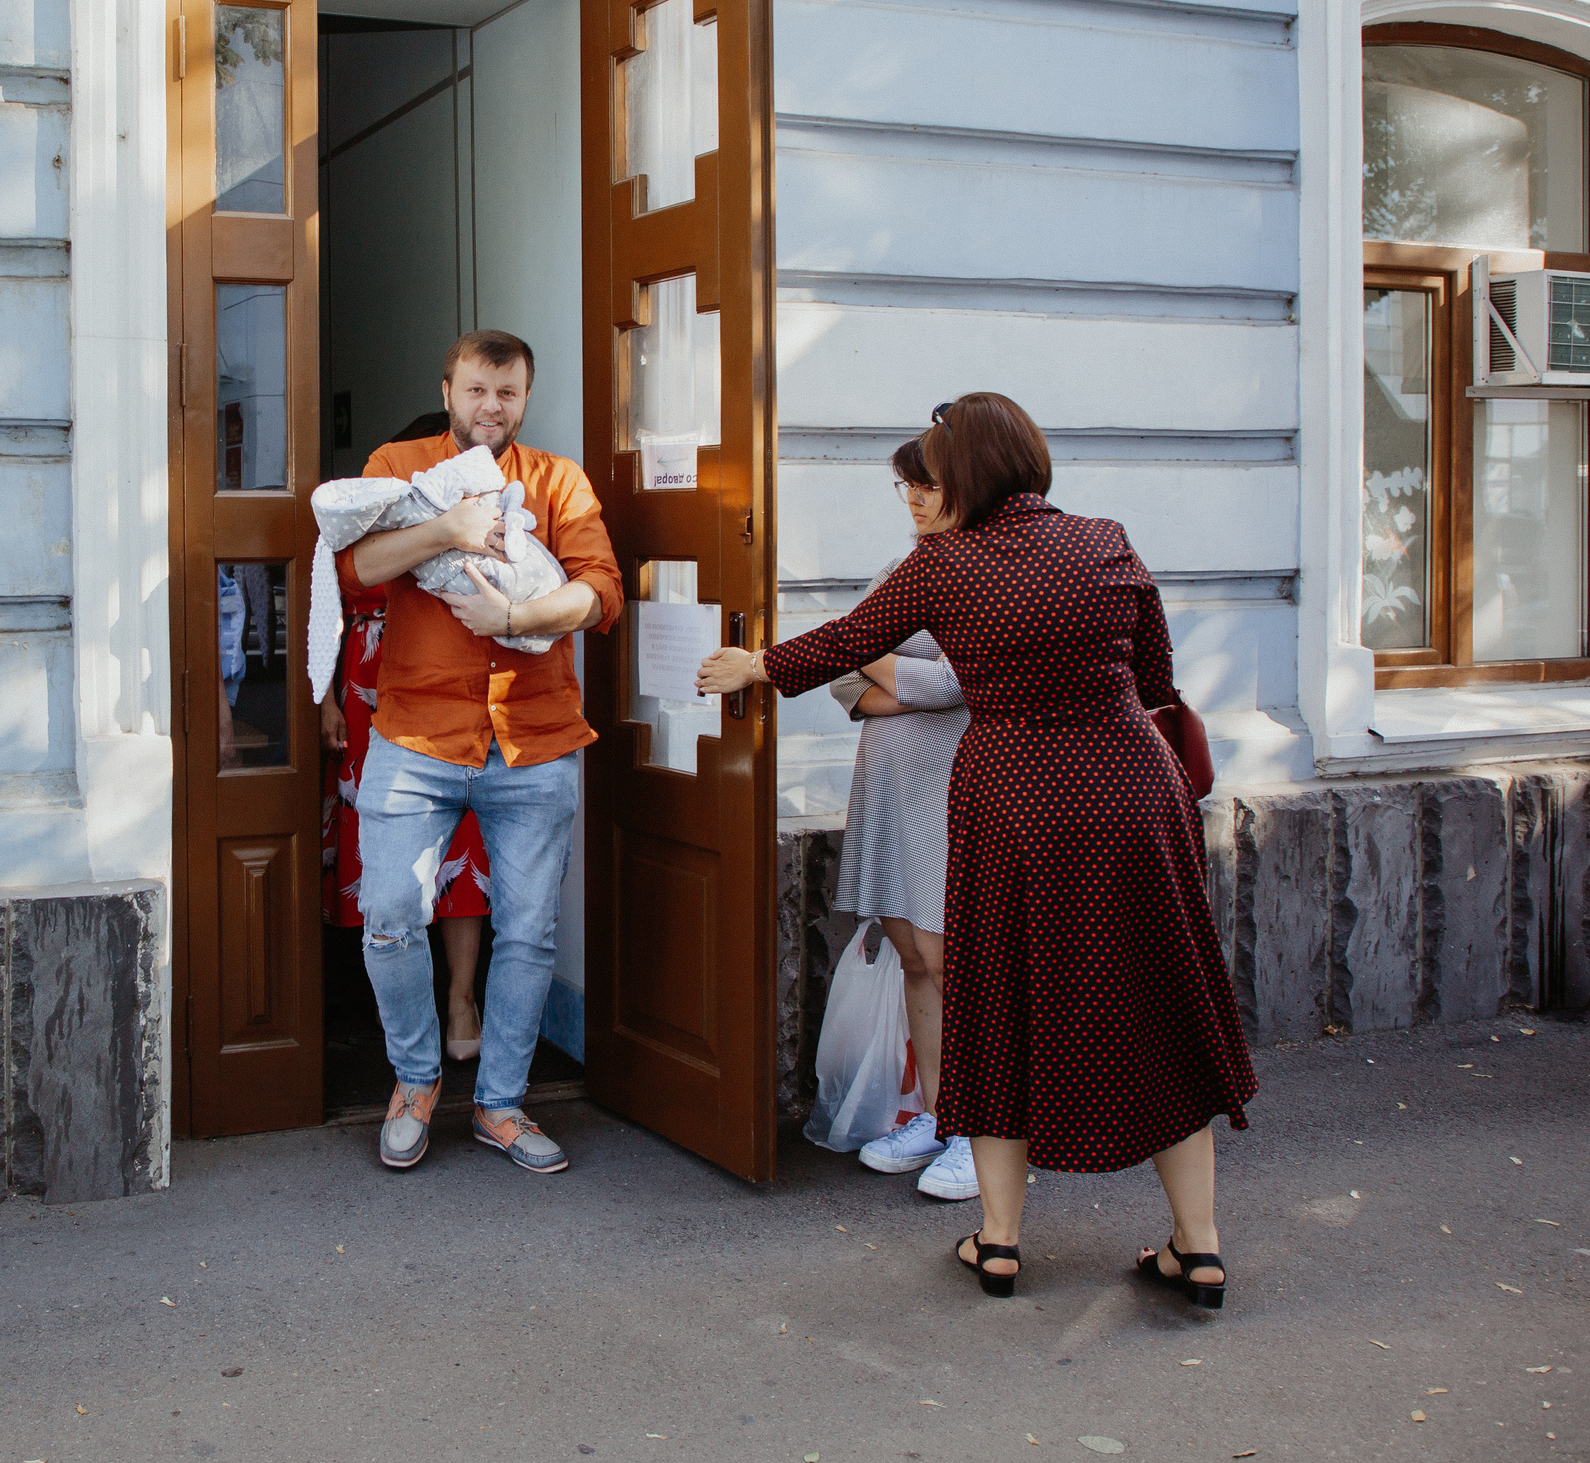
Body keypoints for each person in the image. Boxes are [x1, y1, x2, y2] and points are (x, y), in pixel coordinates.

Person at [699, 393, 1255, 1304]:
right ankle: (1199, 1248)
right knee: (1157, 1004)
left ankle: (998, 1243)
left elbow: (848, 641)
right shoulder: (1108, 540)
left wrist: (755, 664)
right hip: (1133, 796)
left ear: (964, 474)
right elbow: (1156, 677)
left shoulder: (943, 565)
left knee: (996, 1006)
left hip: (1016, 801)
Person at [341, 330, 622, 1173]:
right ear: (448, 390)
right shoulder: (398, 465)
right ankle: (415, 1084)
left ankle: (501, 1104)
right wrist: (448, 529)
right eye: (476, 390)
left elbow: (601, 592)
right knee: (389, 915)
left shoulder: (558, 480)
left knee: (528, 932)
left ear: (525, 398)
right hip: (415, 737)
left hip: (534, 740)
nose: (490, 407)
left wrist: (517, 619)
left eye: (507, 393)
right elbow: (356, 569)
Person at [825, 436, 974, 1200]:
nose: (913, 500)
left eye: (928, 486)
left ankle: (983, 1135)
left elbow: (955, 684)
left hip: (949, 785)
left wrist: (866, 650)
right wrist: (892, 673)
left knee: (955, 960)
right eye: (905, 486)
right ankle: (940, 1116)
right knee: (915, 956)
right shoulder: (900, 570)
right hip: (886, 782)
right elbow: (841, 682)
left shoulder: (984, 573)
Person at [323, 413, 493, 1062]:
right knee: (384, 856)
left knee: (462, 848)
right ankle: (394, 1002)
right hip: (366, 694)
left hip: (450, 703)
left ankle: (461, 998)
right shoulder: (368, 517)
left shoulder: (480, 519)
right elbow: (326, 611)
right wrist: (324, 703)